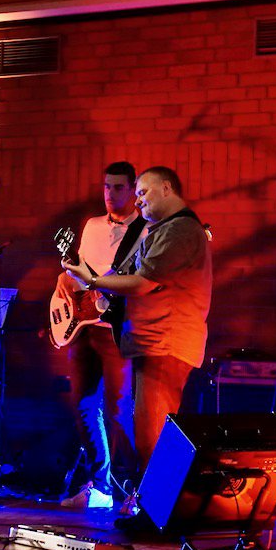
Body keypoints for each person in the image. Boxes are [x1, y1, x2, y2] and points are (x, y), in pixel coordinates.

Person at [63, 166, 212, 519]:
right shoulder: (163, 230)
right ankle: (155, 509)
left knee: (152, 434)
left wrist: (93, 280)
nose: (139, 200)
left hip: (166, 341)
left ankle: (157, 512)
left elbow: (144, 283)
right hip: (154, 342)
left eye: (143, 192)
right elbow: (134, 277)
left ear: (166, 188)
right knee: (149, 430)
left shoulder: (180, 230)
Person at [56, 161, 144, 507]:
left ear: (133, 189)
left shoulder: (145, 231)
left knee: (119, 409)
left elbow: (142, 281)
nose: (110, 194)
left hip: (117, 329)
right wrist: (64, 279)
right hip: (82, 326)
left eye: (118, 187)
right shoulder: (92, 226)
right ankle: (101, 486)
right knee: (82, 404)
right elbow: (78, 271)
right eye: (107, 186)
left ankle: (130, 489)